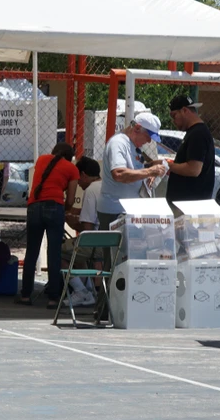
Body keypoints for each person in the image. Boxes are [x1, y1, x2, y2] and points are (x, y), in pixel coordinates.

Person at [17, 143, 79, 308]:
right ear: (69, 157)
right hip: (54, 206)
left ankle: (25, 295)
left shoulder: (41, 160)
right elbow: (71, 199)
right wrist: (65, 209)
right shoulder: (72, 169)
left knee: (32, 251)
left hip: (34, 206)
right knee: (54, 253)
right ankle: (53, 298)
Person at [97, 112, 167, 249]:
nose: (149, 141)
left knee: (131, 253)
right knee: (116, 256)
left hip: (127, 210)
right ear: (137, 128)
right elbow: (119, 173)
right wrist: (149, 172)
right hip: (115, 211)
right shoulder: (118, 143)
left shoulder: (133, 145)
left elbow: (134, 169)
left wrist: (149, 173)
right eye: (148, 136)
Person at [60, 157, 102, 307]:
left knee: (57, 251)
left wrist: (73, 224)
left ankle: (80, 290)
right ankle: (89, 290)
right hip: (111, 244)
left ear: (84, 175)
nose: (78, 183)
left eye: (78, 179)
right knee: (77, 250)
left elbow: (88, 230)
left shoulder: (90, 190)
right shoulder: (105, 187)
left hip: (96, 245)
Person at [165, 94, 215, 203]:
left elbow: (193, 169)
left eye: (174, 115)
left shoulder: (198, 133)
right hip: (188, 202)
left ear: (184, 110)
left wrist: (167, 165)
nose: (173, 121)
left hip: (190, 204)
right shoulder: (195, 132)